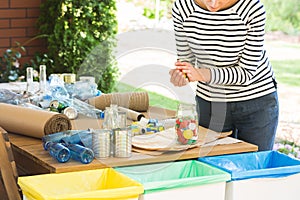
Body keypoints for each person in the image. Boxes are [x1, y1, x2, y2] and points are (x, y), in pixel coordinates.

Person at [169, 0, 279, 151]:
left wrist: (201, 74)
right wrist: (182, 74)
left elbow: (246, 73)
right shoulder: (183, 7)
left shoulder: (251, 8)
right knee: (209, 166)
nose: (213, 5)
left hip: (256, 102)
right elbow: (186, 60)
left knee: (255, 168)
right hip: (210, 102)